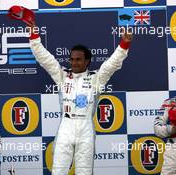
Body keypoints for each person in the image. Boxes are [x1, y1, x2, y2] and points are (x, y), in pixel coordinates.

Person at [8, 6, 133, 175]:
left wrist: (124, 44)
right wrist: (33, 31)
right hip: (66, 127)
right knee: (58, 171)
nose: (74, 63)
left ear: (87, 61)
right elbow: (43, 57)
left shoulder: (96, 78)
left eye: (78, 59)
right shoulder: (62, 76)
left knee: (84, 172)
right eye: (72, 59)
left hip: (86, 128)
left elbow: (112, 65)